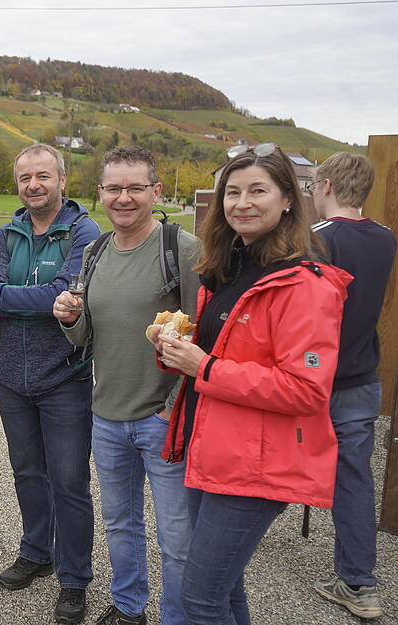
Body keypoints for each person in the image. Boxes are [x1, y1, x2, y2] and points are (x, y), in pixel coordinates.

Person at [152, 143, 350, 624]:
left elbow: (306, 389)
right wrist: (175, 351)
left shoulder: (305, 284)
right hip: (213, 449)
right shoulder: (229, 269)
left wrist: (204, 368)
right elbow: (220, 354)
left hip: (255, 466)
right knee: (224, 589)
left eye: (258, 190)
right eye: (233, 192)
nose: (242, 202)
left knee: (199, 599)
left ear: (287, 200)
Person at [54, 145, 199, 625]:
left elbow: (211, 336)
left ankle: (179, 617)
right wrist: (71, 319)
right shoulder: (95, 252)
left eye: (136, 187)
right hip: (107, 416)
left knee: (176, 537)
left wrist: (174, 403)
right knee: (120, 524)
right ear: (100, 194)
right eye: (114, 188)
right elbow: (87, 335)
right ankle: (129, 607)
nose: (124, 198)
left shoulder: (181, 248)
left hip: (165, 419)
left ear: (155, 191)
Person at [0, 143, 101, 625]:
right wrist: (11, 298)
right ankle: (36, 550)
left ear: (62, 180)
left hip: (65, 376)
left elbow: (65, 296)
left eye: (42, 176)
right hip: (11, 377)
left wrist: (3, 294)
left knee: (69, 481)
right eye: (25, 178)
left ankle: (74, 578)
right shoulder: (7, 234)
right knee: (27, 472)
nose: (33, 185)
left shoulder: (84, 231)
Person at [309, 152, 395, 620]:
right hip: (363, 376)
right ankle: (360, 584)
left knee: (277, 461)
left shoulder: (319, 239)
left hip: (317, 379)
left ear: (324, 185)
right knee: (355, 478)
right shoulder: (385, 237)